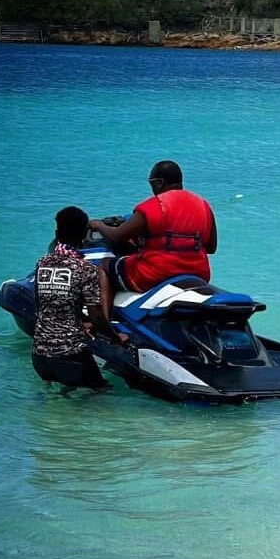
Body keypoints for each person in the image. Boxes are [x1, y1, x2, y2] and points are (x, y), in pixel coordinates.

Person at [89, 160, 217, 320]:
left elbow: (116, 237)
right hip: (197, 273)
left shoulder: (152, 206)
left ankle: (104, 325)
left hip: (155, 273)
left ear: (160, 183)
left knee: (105, 265)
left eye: (151, 183)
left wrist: (98, 225)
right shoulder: (203, 205)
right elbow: (211, 247)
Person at [31, 206, 127, 392]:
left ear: (57, 233)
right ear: (84, 234)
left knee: (58, 402)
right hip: (70, 356)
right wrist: (116, 338)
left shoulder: (42, 264)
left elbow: (43, 305)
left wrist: (81, 321)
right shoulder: (86, 270)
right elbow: (98, 318)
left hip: (39, 356)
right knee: (104, 393)